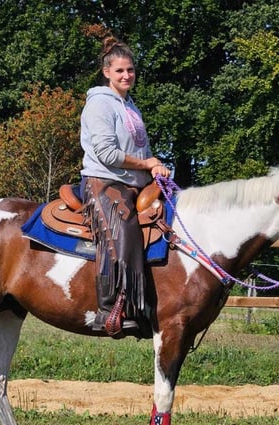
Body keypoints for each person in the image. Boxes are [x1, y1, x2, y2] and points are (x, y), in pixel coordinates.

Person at [80, 36, 171, 337]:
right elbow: (107, 154)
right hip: (103, 182)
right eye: (119, 71)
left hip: (134, 184)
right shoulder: (99, 105)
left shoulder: (131, 107)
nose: (126, 76)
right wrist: (146, 164)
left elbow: (139, 151)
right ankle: (109, 310)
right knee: (124, 229)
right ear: (106, 72)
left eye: (130, 70)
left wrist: (153, 166)